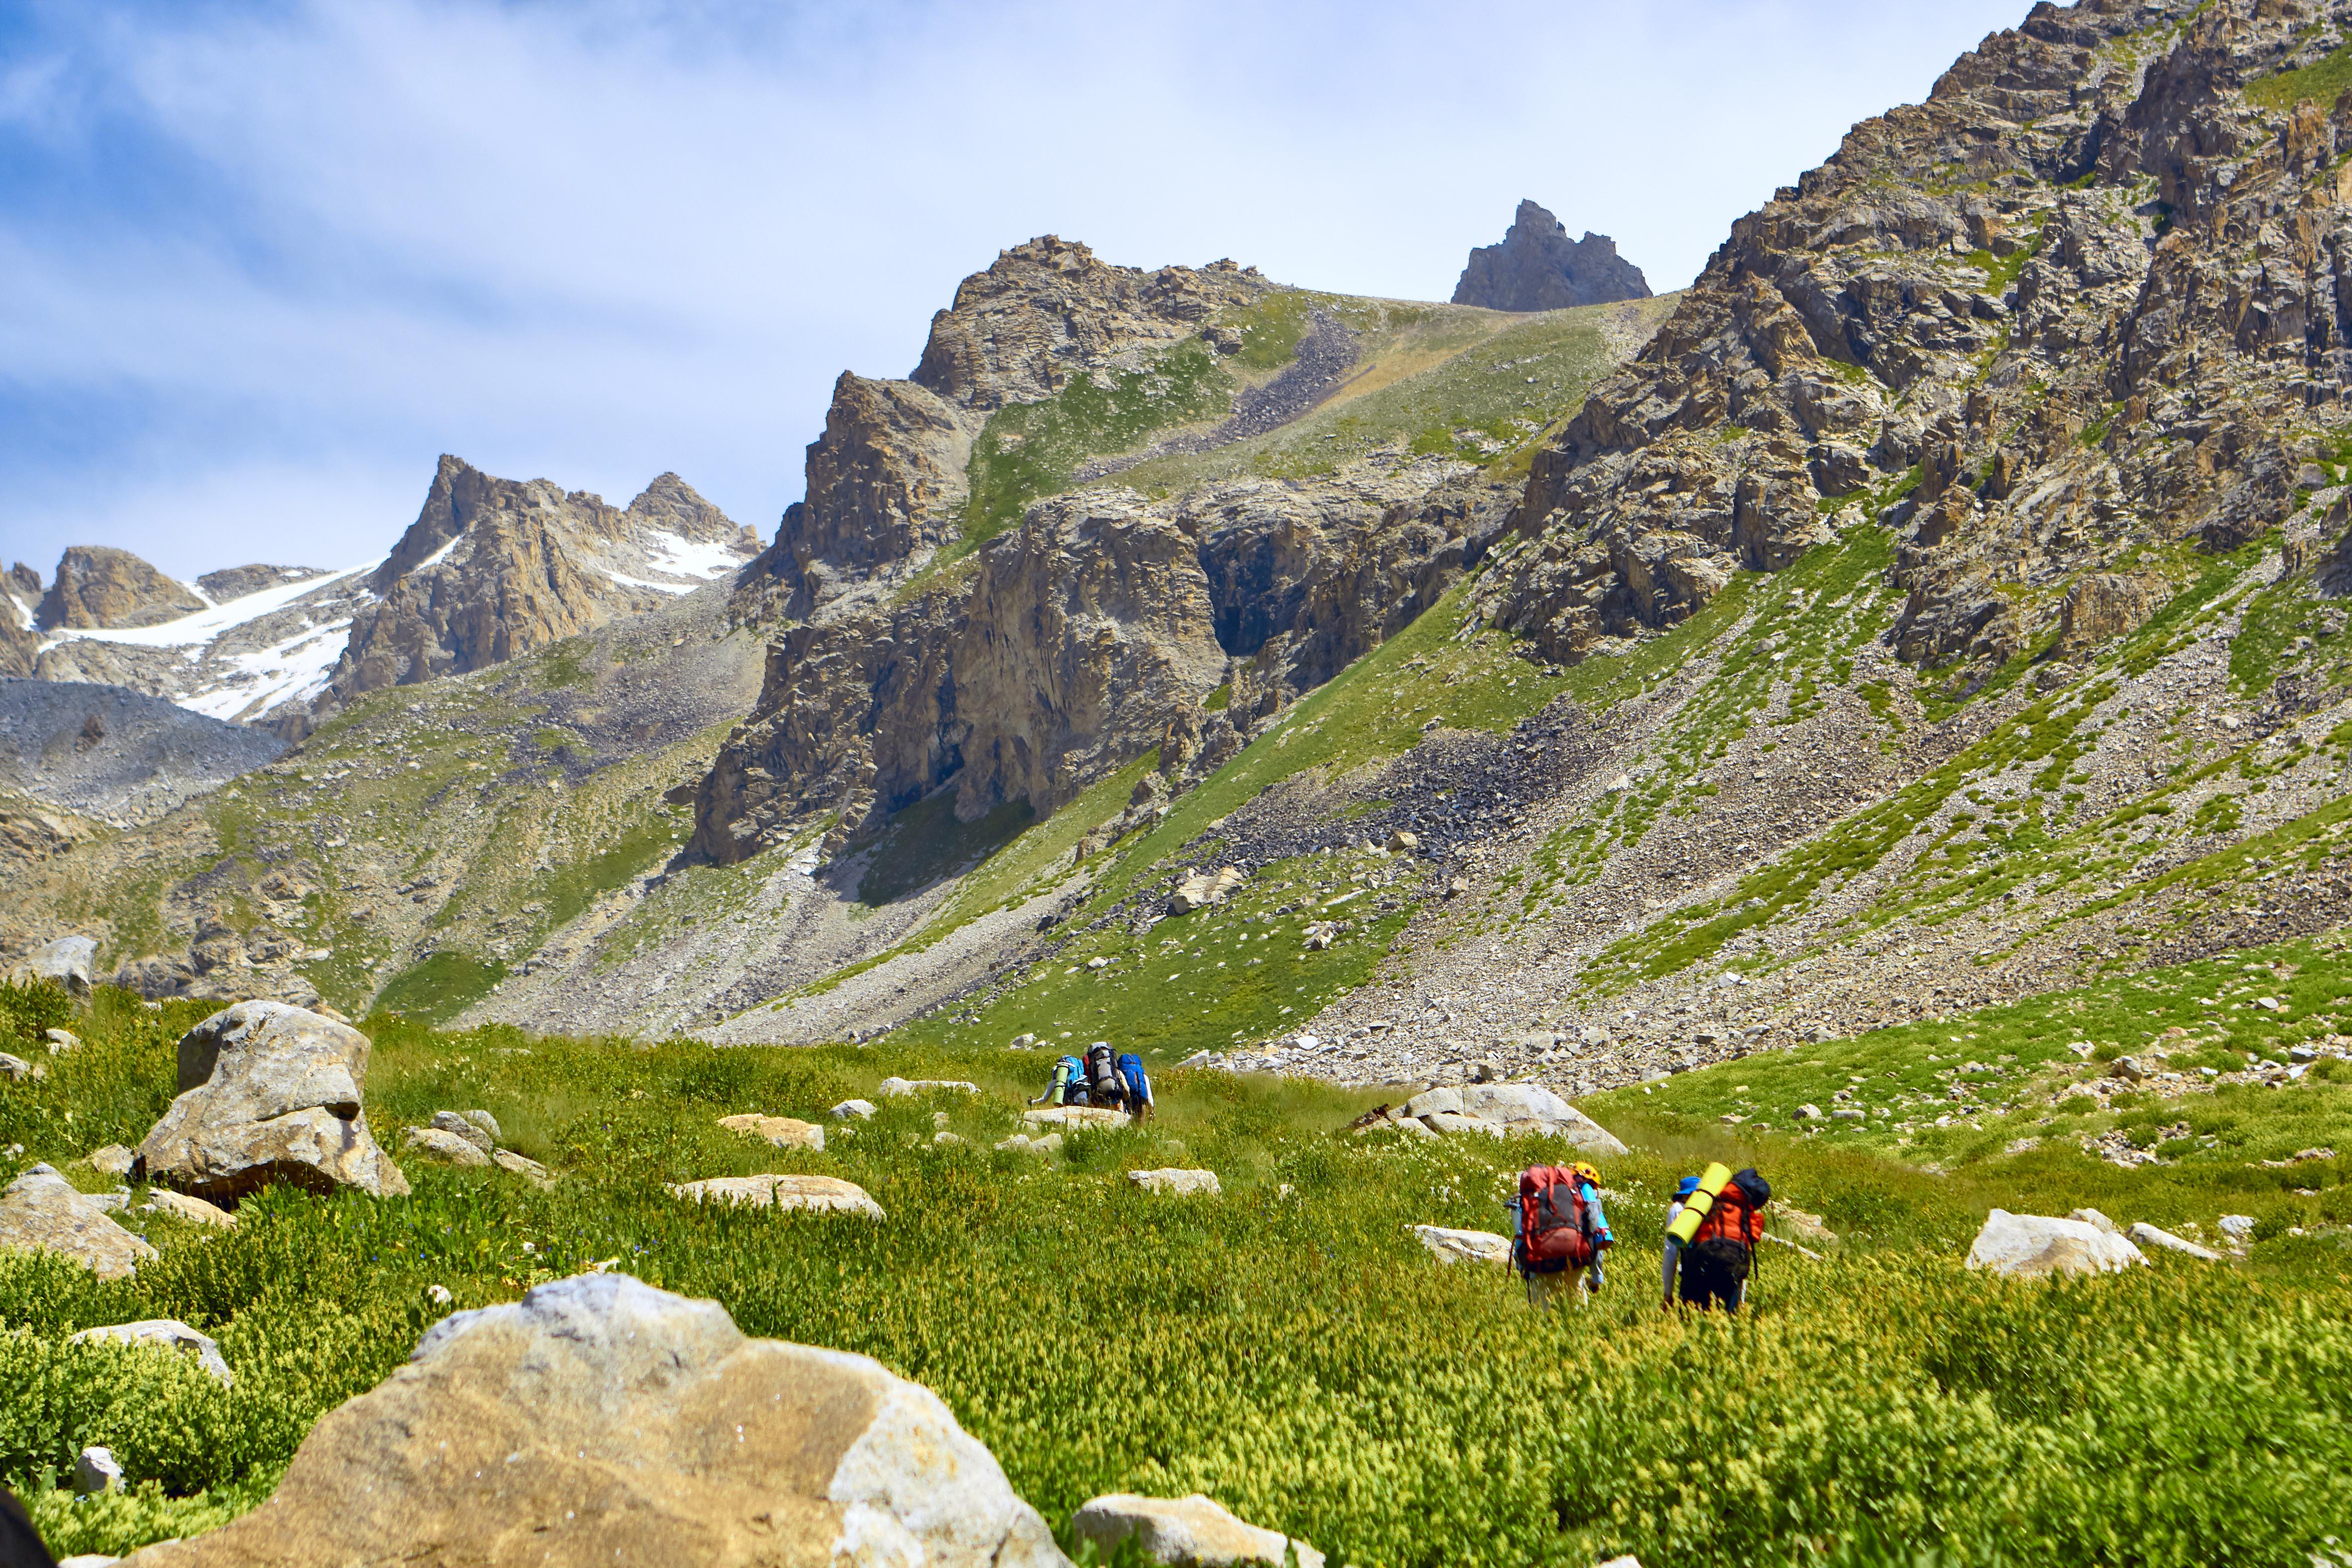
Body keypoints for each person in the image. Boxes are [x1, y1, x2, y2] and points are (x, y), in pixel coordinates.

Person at [1665, 1167, 1769, 1313]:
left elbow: (1672, 1253)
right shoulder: (1745, 1214)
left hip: (1699, 1269)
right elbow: (1744, 1257)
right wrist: (1741, 1300)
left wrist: (1668, 1294)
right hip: (1731, 1275)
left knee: (1691, 1321)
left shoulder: (1706, 1206)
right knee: (1728, 1322)